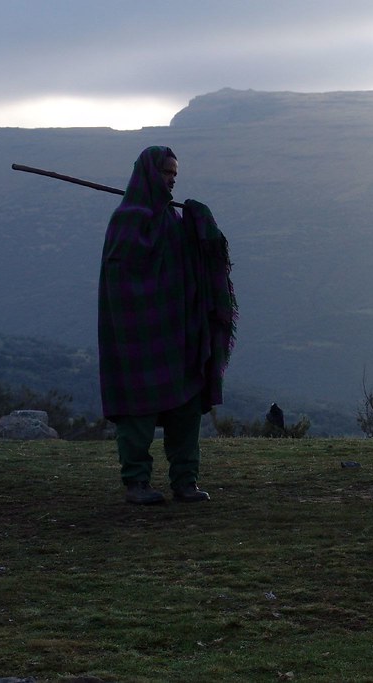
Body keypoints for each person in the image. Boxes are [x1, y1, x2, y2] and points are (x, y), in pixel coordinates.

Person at [98, 146, 237, 504]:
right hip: (138, 336)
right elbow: (120, 281)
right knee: (138, 413)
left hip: (178, 333)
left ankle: (185, 482)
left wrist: (199, 223)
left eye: (175, 173)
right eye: (166, 173)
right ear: (149, 174)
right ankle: (136, 484)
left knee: (186, 408)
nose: (172, 180)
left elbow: (189, 263)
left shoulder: (171, 219)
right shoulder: (128, 219)